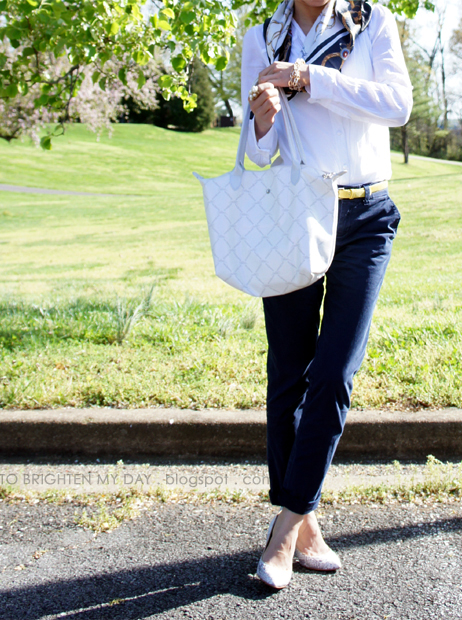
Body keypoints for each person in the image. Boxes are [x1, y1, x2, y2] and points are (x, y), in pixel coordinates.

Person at [240, 0, 412, 589]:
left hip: (366, 216)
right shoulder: (262, 36)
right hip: (295, 212)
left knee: (335, 372)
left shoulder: (372, 22)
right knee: (288, 372)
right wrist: (262, 121)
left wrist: (311, 77)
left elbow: (397, 105)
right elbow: (258, 152)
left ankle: (284, 529)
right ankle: (306, 523)